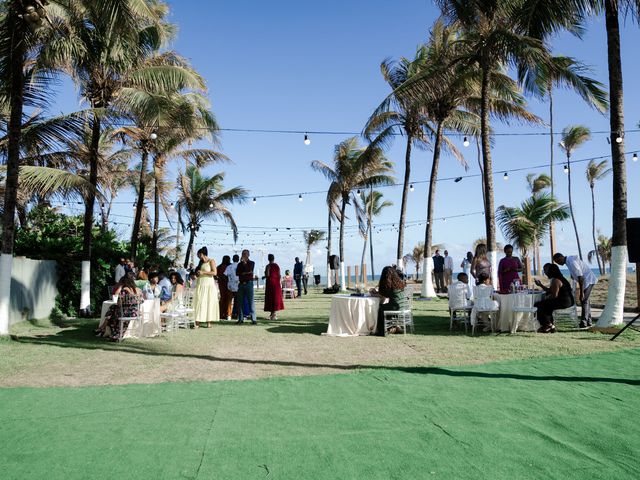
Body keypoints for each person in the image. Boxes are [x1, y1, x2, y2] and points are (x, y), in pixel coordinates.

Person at [553, 252, 597, 328]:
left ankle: (584, 322)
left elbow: (581, 277)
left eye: (558, 261)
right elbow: (574, 274)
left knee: (584, 300)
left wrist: (581, 292)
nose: (558, 263)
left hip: (588, 280)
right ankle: (588, 321)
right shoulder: (568, 261)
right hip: (585, 281)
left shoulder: (571, 262)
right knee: (586, 301)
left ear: (561, 257)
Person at [98, 274, 143, 341]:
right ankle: (108, 330)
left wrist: (122, 287)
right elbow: (142, 301)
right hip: (135, 313)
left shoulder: (125, 290)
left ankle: (106, 330)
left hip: (125, 313)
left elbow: (119, 302)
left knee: (113, 311)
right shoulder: (139, 290)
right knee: (113, 309)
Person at [534, 263, 575, 333]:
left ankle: (547, 325)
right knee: (545, 304)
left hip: (564, 302)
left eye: (546, 270)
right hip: (567, 301)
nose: (545, 272)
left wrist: (547, 297)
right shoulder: (559, 278)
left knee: (539, 305)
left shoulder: (556, 280)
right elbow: (550, 291)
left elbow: (554, 296)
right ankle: (550, 325)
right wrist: (540, 285)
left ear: (551, 270)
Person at [370, 266, 408, 336]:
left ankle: (381, 331)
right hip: (402, 306)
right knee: (385, 306)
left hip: (395, 307)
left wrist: (373, 293)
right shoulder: (399, 283)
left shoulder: (390, 285)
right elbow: (387, 295)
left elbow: (383, 295)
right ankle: (393, 327)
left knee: (380, 308)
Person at [194, 247, 219, 327]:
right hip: (201, 284)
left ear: (202, 254)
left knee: (209, 302)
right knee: (200, 302)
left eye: (198, 255)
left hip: (209, 285)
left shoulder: (211, 261)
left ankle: (209, 322)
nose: (198, 257)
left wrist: (203, 272)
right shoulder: (200, 263)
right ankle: (197, 321)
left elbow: (214, 273)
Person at [236, 249, 257, 324]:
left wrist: (244, 265)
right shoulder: (239, 264)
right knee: (240, 302)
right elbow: (237, 273)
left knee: (251, 301)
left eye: (245, 254)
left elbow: (250, 270)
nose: (243, 255)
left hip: (249, 284)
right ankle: (241, 319)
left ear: (248, 255)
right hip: (241, 284)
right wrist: (245, 272)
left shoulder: (251, 263)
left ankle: (254, 319)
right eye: (242, 254)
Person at [264, 254, 284, 320]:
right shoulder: (277, 266)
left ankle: (273, 314)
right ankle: (273, 314)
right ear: (273, 258)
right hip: (276, 284)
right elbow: (279, 275)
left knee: (270, 298)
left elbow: (267, 275)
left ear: (268, 259)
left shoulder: (268, 266)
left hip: (270, 284)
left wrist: (265, 274)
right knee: (275, 298)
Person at [224, 254, 240, 320]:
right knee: (238, 301)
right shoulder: (240, 266)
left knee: (229, 302)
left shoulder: (229, 267)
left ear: (232, 259)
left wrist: (228, 281)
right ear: (238, 259)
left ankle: (229, 315)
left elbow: (225, 275)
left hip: (230, 285)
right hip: (238, 285)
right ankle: (238, 314)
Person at [217, 255, 233, 320]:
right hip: (228, 284)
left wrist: (220, 279)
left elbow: (216, 276)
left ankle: (221, 314)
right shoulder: (230, 266)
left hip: (222, 285)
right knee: (228, 299)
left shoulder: (219, 267)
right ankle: (228, 314)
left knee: (223, 299)